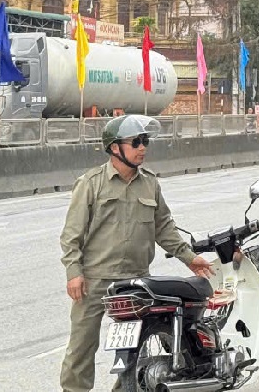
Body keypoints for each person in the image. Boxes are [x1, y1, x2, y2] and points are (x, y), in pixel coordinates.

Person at [58, 115, 213, 392]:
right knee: (81, 348)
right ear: (115, 148)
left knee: (135, 348)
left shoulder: (150, 183)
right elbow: (71, 235)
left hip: (138, 282)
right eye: (136, 142)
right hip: (96, 281)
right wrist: (74, 273)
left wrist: (190, 257)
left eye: (146, 141)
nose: (143, 148)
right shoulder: (91, 183)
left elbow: (164, 227)